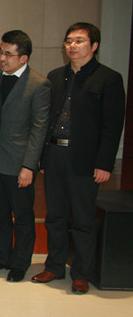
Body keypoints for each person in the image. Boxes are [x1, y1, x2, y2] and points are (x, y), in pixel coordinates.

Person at [32, 22, 126, 294]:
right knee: (55, 215)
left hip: (84, 158)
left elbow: (112, 126)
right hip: (55, 154)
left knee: (83, 218)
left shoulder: (108, 78)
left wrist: (104, 163)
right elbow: (46, 120)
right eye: (69, 41)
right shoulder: (56, 76)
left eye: (79, 41)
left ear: (94, 46)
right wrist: (42, 157)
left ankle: (81, 273)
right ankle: (55, 266)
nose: (72, 46)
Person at [0, 30, 50, 282]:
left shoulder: (38, 84)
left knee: (22, 216)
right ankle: (2, 257)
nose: (2, 58)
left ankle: (20, 263)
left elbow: (39, 129)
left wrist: (28, 166)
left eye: (9, 54)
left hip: (19, 163)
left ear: (24, 58)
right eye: (1, 52)